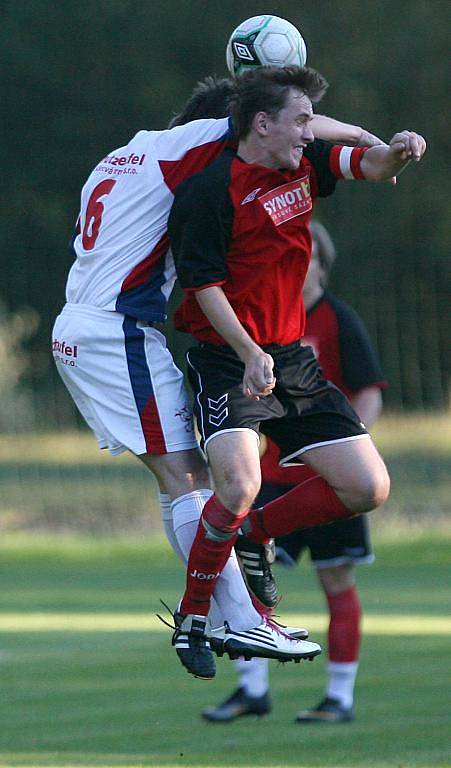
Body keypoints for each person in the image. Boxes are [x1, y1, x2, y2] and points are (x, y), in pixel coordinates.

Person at [168, 65, 425, 679]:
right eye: (302, 119)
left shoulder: (303, 164)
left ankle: (254, 535)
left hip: (292, 363)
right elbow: (202, 286)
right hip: (227, 359)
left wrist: (397, 153)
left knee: (368, 488)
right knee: (235, 483)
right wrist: (250, 352)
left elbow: (371, 168)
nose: (311, 132)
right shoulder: (210, 190)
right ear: (262, 124)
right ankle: (194, 619)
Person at [202, 220, 386, 723]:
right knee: (245, 582)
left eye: (297, 261)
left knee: (337, 583)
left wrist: (341, 447)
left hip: (328, 487)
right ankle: (252, 689)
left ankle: (339, 697)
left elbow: (368, 390)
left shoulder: (338, 320)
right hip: (274, 483)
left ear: (318, 264)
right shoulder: (260, 327)